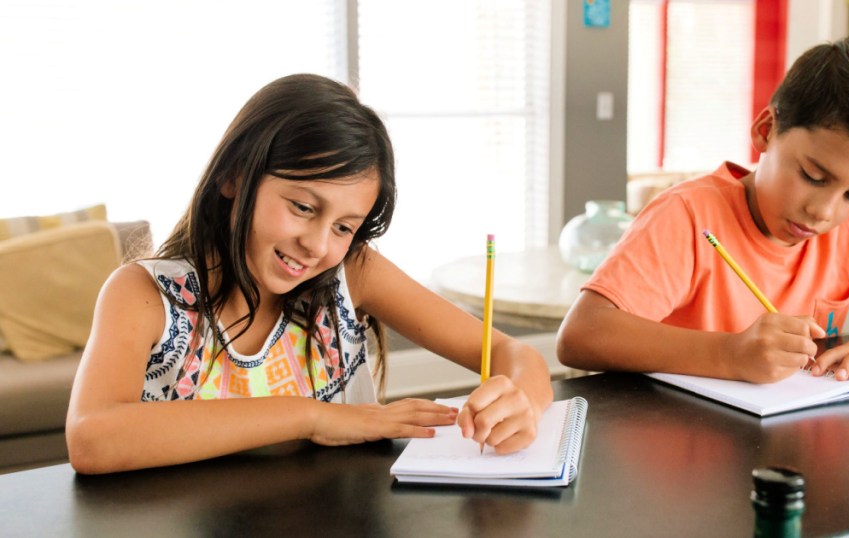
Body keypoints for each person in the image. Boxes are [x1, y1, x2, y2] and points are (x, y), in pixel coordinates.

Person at [66, 74, 553, 474]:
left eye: (344, 226)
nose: (319, 245)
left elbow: (516, 354)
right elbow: (92, 438)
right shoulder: (145, 295)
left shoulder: (352, 271)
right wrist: (316, 418)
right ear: (234, 176)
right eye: (302, 207)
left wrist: (521, 403)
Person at [557, 36, 849, 395]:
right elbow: (581, 336)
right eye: (812, 175)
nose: (823, 212)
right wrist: (729, 355)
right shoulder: (688, 215)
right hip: (681, 451)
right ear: (766, 130)